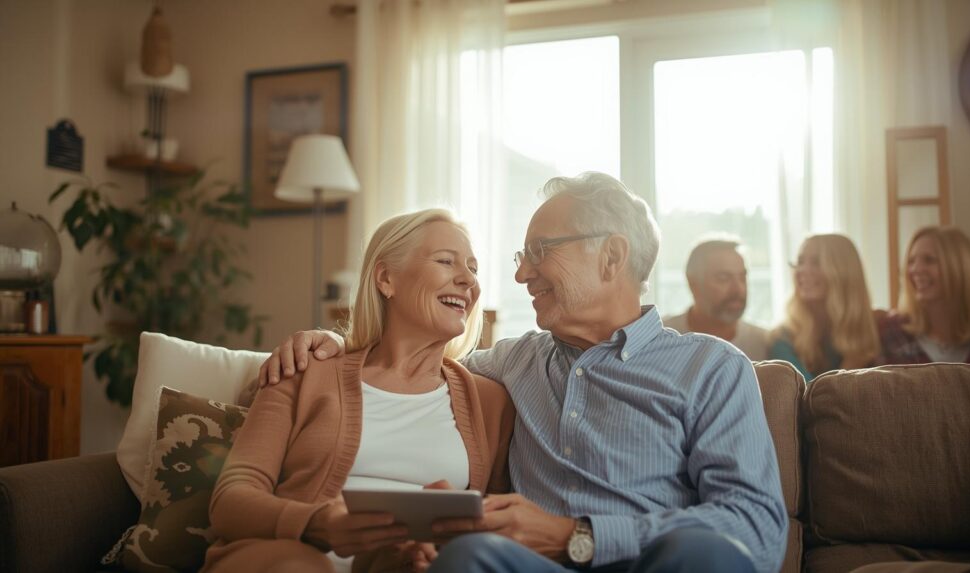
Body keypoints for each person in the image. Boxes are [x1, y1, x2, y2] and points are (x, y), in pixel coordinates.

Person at [262, 172, 788, 573]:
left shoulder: (711, 368)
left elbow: (757, 527)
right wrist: (339, 345)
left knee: (707, 553)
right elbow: (410, 363)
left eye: (540, 251)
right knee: (469, 557)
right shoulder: (513, 362)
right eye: (521, 255)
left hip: (653, 564)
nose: (520, 274)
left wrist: (579, 535)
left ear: (611, 256)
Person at [202, 209, 514, 573]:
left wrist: (439, 545)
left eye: (473, 269)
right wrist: (319, 523)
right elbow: (230, 500)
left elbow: (499, 531)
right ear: (385, 279)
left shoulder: (491, 402)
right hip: (286, 558)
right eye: (446, 261)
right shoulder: (305, 369)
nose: (468, 280)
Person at [878, 225, 970, 364]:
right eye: (911, 261)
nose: (915, 269)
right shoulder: (892, 333)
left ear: (959, 268)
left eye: (929, 260)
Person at [768, 234, 880, 381]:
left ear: (844, 272)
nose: (802, 270)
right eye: (800, 262)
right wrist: (850, 366)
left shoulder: (880, 327)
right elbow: (807, 393)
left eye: (817, 262)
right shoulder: (783, 338)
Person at [663, 238, 769, 360]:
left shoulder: (764, 343)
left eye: (742, 277)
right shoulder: (661, 339)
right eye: (724, 278)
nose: (738, 289)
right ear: (693, 284)